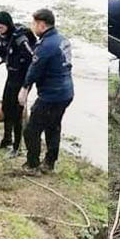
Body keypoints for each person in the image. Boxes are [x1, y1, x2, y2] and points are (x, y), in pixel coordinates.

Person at [19, 9, 74, 174]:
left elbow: (34, 70)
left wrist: (24, 89)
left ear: (41, 25)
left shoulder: (45, 46)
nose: (32, 26)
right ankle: (50, 162)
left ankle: (32, 164)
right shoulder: (62, 39)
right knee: (53, 126)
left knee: (31, 130)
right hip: (67, 92)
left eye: (34, 23)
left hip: (52, 95)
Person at [0, 11, 36, 157]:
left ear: (8, 25)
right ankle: (7, 139)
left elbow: (33, 60)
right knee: (6, 107)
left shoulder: (20, 40)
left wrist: (26, 86)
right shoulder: (5, 36)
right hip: (12, 76)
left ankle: (17, 147)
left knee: (17, 113)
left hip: (22, 80)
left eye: (1, 27)